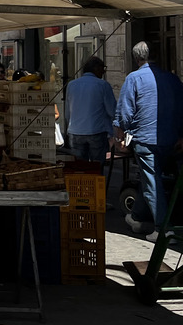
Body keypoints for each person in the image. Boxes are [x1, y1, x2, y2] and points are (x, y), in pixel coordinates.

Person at [115, 41, 183, 240]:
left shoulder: (134, 78)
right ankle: (136, 216)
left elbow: (126, 113)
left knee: (152, 182)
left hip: (146, 139)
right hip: (171, 139)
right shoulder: (172, 78)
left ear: (137, 58)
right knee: (152, 181)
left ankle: (164, 229)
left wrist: (121, 133)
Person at [66, 56, 116, 164]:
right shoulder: (103, 85)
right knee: (97, 167)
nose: (103, 72)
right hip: (96, 131)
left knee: (80, 168)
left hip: (75, 132)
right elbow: (112, 111)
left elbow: (67, 112)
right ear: (96, 68)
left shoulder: (71, 85)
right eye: (103, 68)